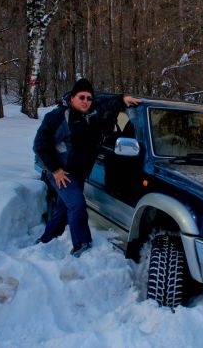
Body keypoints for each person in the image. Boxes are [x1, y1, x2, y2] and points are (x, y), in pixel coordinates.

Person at [33, 78, 141, 257]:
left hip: (79, 172)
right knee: (77, 204)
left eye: (89, 98)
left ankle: (46, 239)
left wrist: (122, 99)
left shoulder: (90, 113)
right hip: (62, 172)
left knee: (63, 207)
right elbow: (40, 145)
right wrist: (56, 170)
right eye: (81, 97)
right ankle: (82, 245)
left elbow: (103, 101)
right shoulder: (59, 116)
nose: (85, 101)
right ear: (72, 97)